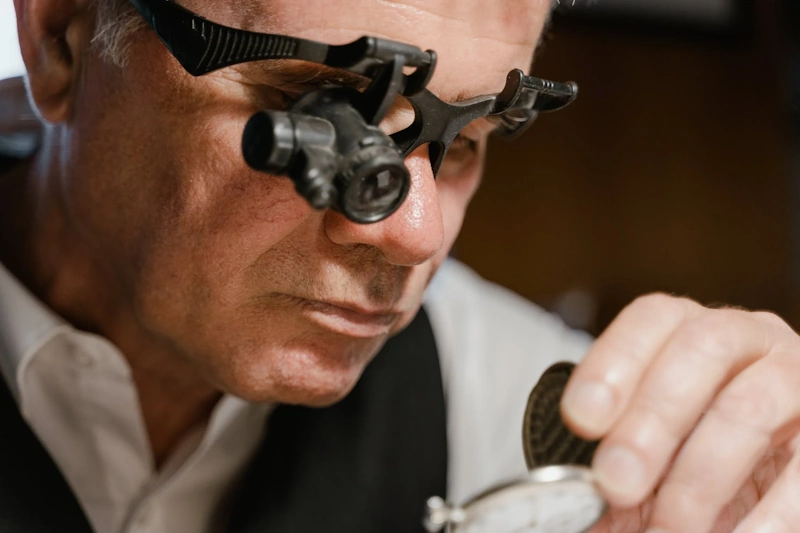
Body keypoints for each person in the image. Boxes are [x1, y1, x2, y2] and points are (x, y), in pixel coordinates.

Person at [1, 0, 798, 532]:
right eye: (323, 117)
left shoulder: (534, 423)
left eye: (469, 142)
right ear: (61, 37)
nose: (418, 234)